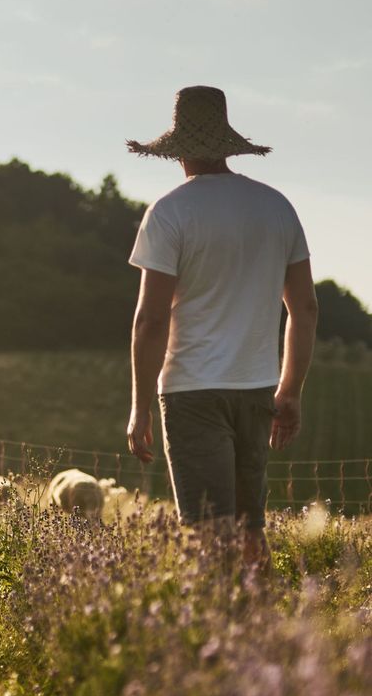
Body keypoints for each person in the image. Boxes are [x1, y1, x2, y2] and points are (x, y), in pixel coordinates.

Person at [125, 86, 318, 568]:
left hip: (193, 393)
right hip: (256, 389)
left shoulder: (169, 212)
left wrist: (140, 407)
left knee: (209, 539)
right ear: (228, 143)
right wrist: (290, 391)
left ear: (179, 150)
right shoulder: (277, 207)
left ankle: (219, 633)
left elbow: (150, 320)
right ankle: (263, 633)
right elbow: (305, 309)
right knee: (251, 533)